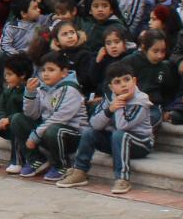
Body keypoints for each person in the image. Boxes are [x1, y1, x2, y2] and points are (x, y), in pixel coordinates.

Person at [55, 61, 154, 193]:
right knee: (89, 132)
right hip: (117, 142)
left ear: (134, 81)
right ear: (111, 87)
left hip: (141, 144)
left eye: (127, 80)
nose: (123, 84)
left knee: (119, 134)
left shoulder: (142, 100)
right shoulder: (109, 99)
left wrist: (119, 103)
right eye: (117, 82)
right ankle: (79, 171)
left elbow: (122, 125)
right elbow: (95, 124)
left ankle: (122, 179)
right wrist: (109, 109)